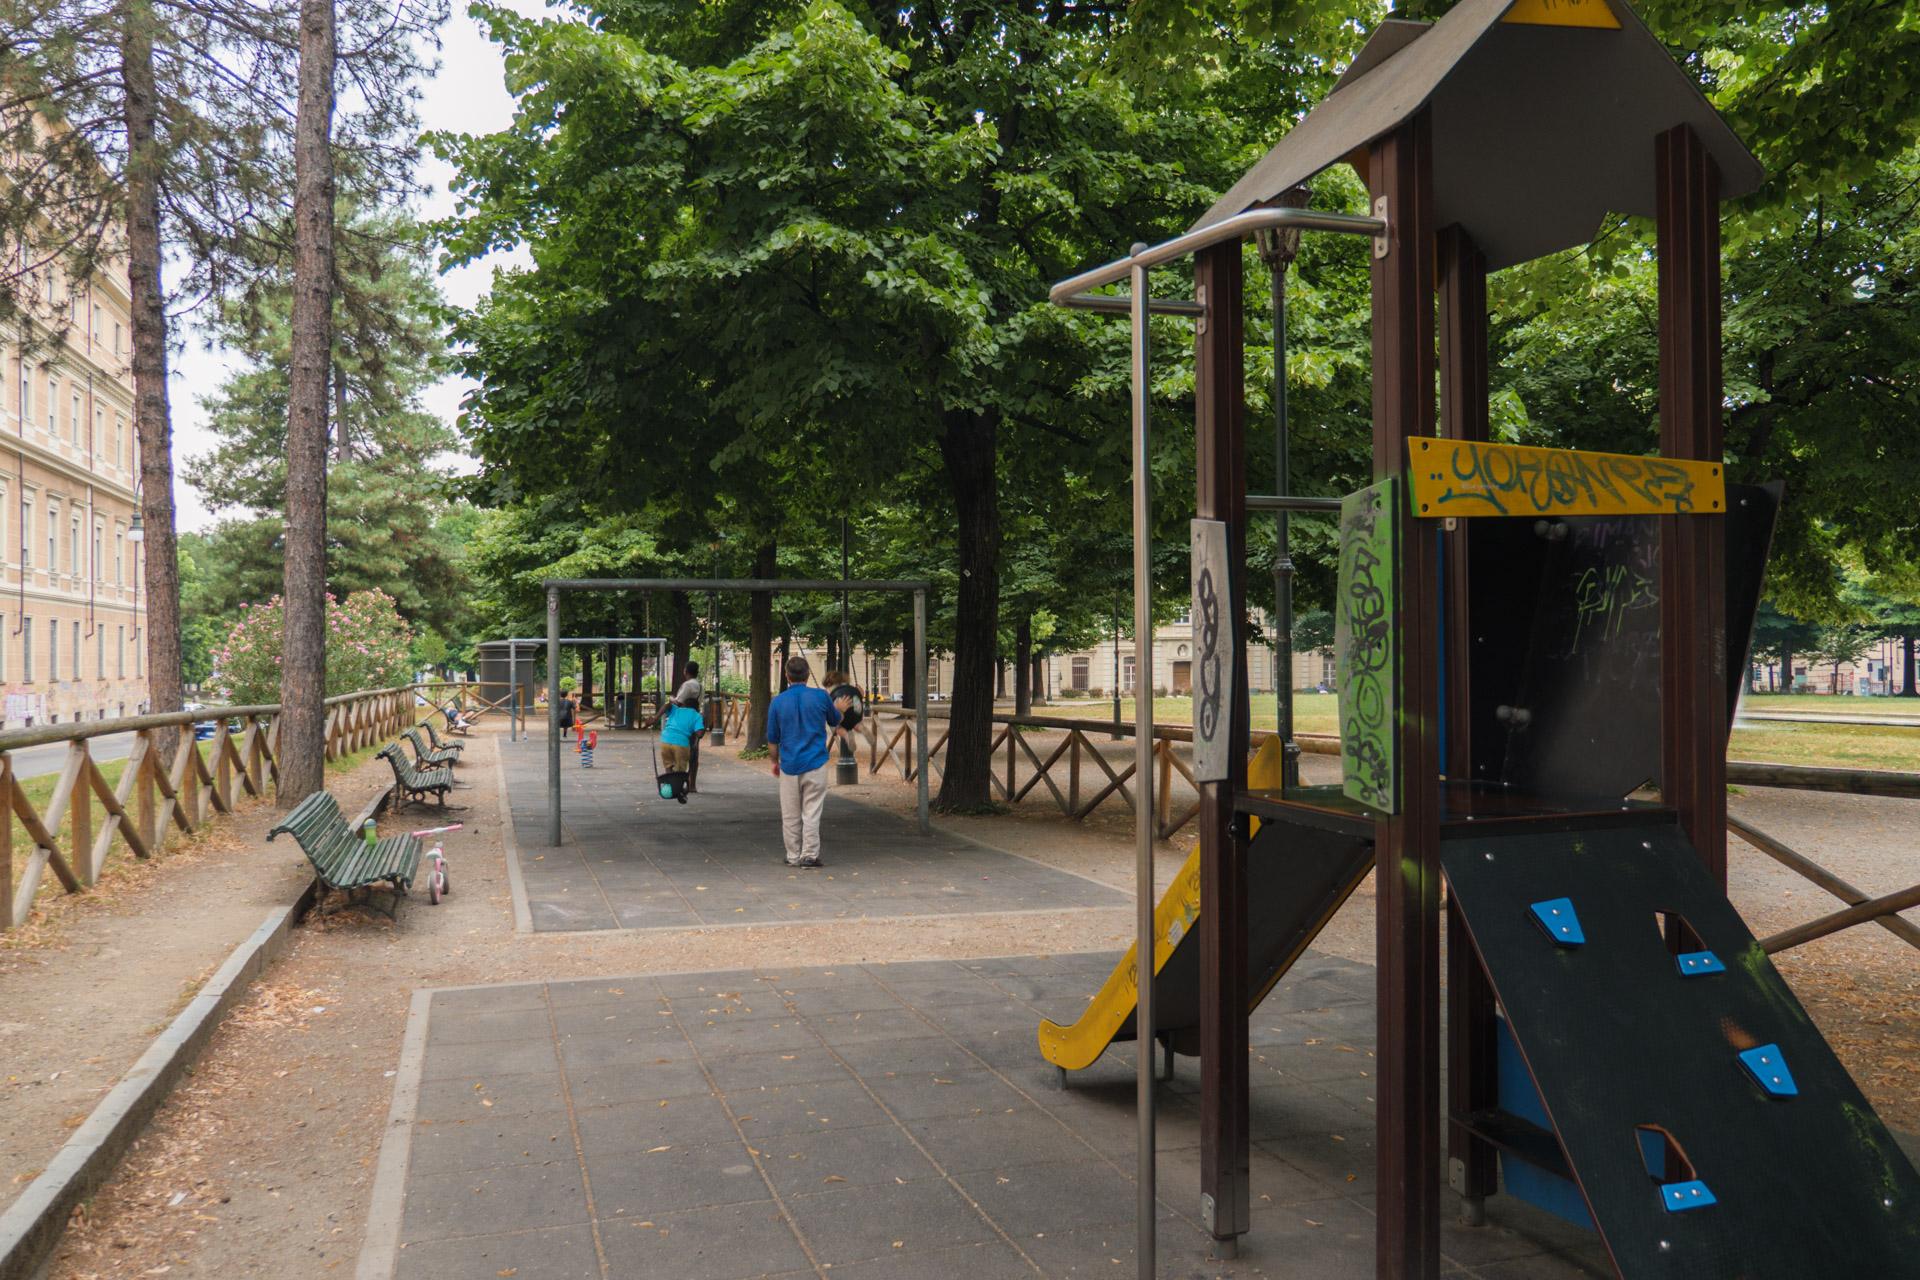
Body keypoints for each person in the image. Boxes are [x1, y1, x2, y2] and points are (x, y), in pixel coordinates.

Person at [765, 655, 851, 868]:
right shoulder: (821, 697)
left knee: (790, 813)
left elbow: (772, 740)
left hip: (789, 764)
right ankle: (809, 855)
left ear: (786, 676)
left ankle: (793, 855)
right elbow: (835, 720)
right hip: (815, 762)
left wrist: (775, 762)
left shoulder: (777, 702)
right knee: (811, 811)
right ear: (807, 674)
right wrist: (840, 710)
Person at [658, 696, 706, 804]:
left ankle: (670, 787)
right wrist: (703, 723)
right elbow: (699, 734)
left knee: (668, 765)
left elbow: (667, 706)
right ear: (697, 708)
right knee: (680, 770)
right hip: (681, 744)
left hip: (665, 740)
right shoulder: (696, 715)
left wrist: (656, 717)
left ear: (684, 705)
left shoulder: (676, 709)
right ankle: (679, 791)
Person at [674, 661, 704, 793]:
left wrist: (671, 700)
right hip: (695, 720)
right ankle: (692, 784)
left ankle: (678, 782)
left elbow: (678, 702)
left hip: (683, 721)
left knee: (680, 750)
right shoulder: (700, 686)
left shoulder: (687, 685)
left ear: (685, 671)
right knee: (694, 751)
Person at [826, 669, 864, 762]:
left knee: (839, 728)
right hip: (853, 710)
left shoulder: (831, 691)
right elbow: (860, 695)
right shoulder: (850, 689)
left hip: (840, 714)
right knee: (856, 722)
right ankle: (861, 728)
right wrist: (860, 692)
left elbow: (828, 702)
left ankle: (847, 737)